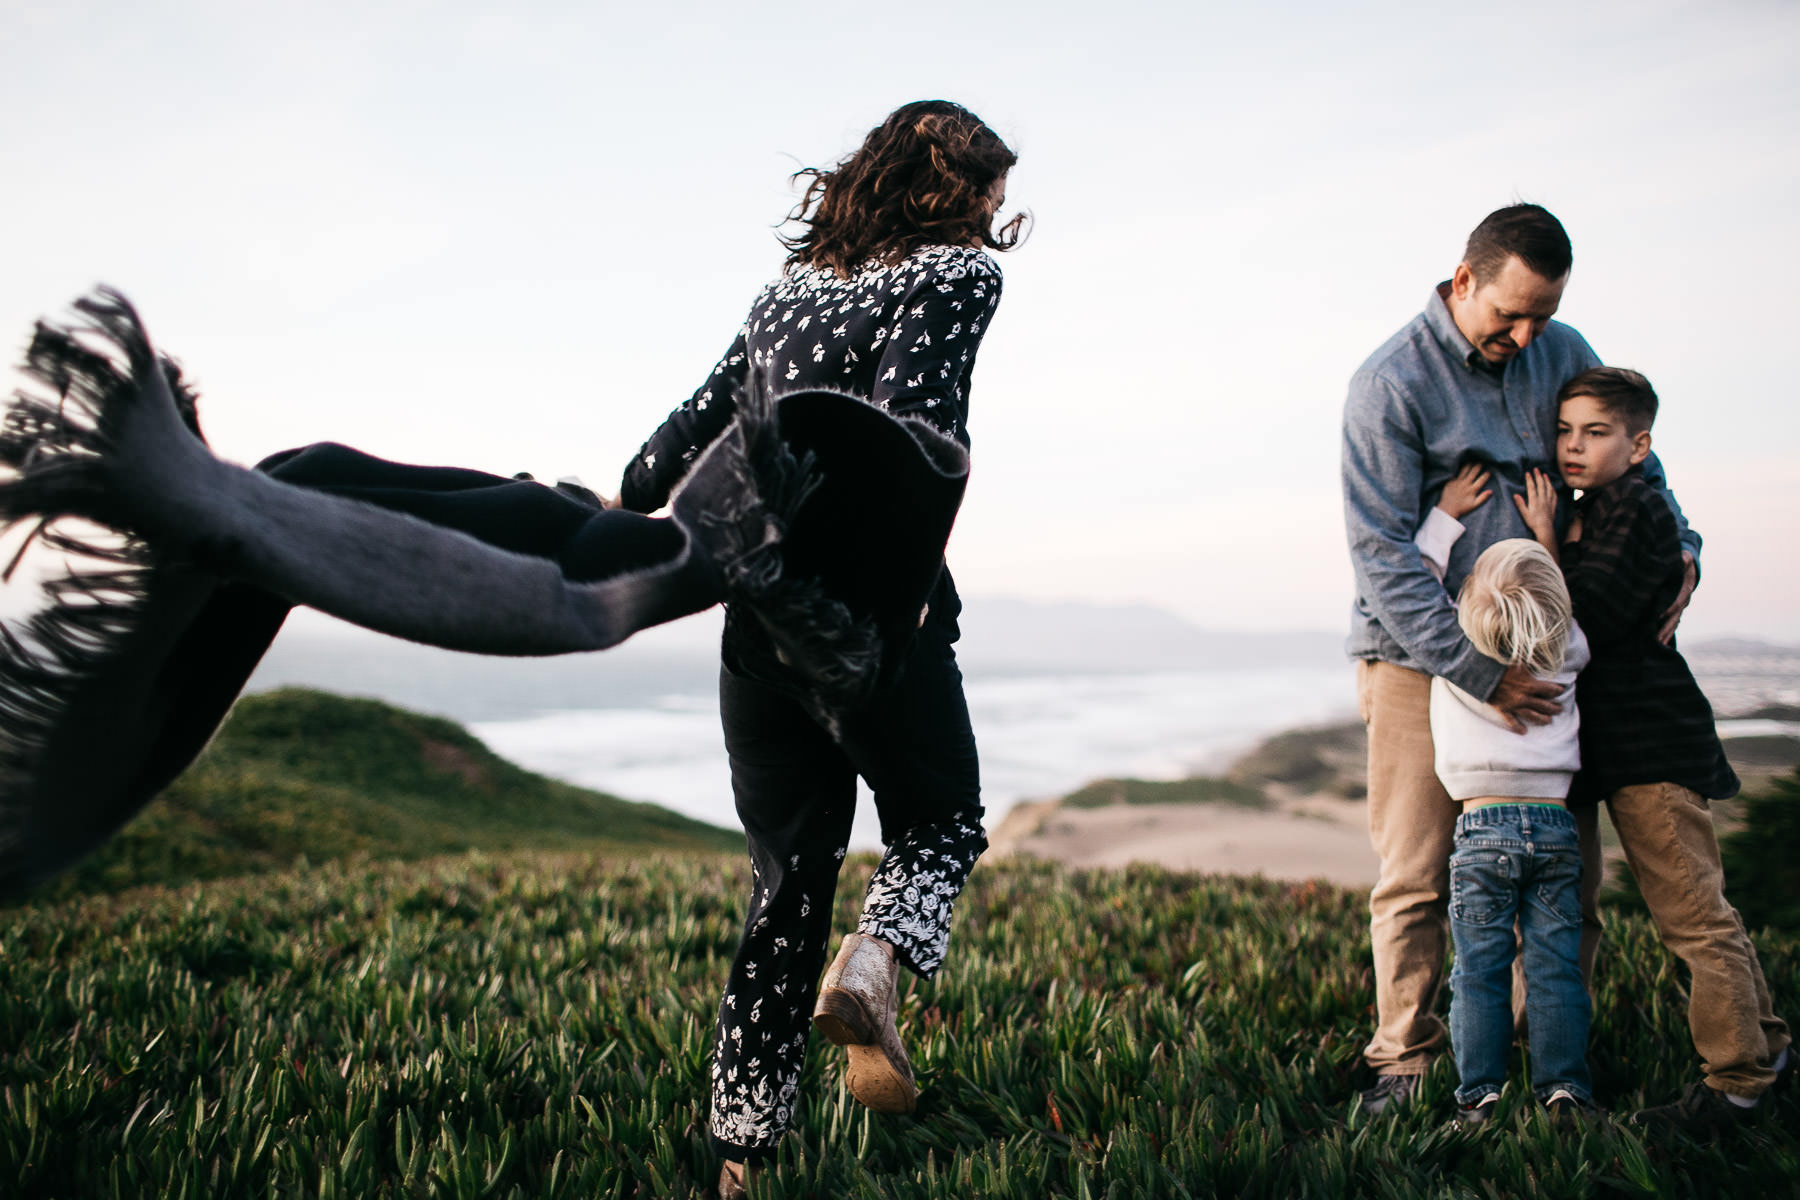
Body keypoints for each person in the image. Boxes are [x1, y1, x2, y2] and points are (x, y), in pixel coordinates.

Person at [608, 100, 1025, 1197]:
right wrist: (907, 594)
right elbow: (914, 435)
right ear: (956, 190)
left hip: (759, 624)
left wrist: (613, 524)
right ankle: (874, 967)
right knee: (940, 823)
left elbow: (657, 464)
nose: (995, 222)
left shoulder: (779, 298)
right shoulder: (952, 278)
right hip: (871, 617)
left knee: (785, 883)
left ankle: (740, 1163)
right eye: (989, 198)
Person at [1339, 203, 1701, 1114]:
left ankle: (1553, 1059)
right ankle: (1407, 1058)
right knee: (1419, 871)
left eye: (1543, 314)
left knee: (1564, 872)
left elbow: (1631, 460)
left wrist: (1685, 542)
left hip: (1551, 653)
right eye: (1512, 314)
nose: (1529, 334)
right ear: (1464, 281)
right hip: (1418, 661)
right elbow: (1383, 554)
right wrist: (1476, 669)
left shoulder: (1563, 346)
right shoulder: (1389, 382)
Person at [1532, 366, 1791, 1133]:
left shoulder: (1636, 508)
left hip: (1652, 747)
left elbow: (1595, 618)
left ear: (1639, 445)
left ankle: (1738, 1082)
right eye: (1566, 431)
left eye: (1598, 433)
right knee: (1702, 915)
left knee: (1693, 920)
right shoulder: (1604, 506)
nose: (1575, 447)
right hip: (1616, 749)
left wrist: (1546, 543)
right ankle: (1769, 1052)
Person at [1417, 472, 1593, 1125]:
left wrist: (1445, 515)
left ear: (1470, 603)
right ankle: (1565, 1090)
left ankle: (1480, 1097)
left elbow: (1419, 591)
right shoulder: (1565, 651)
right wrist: (1546, 535)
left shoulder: (1458, 653)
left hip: (1482, 830)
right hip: (1553, 827)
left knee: (1480, 970)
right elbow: (1559, 607)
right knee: (1554, 968)